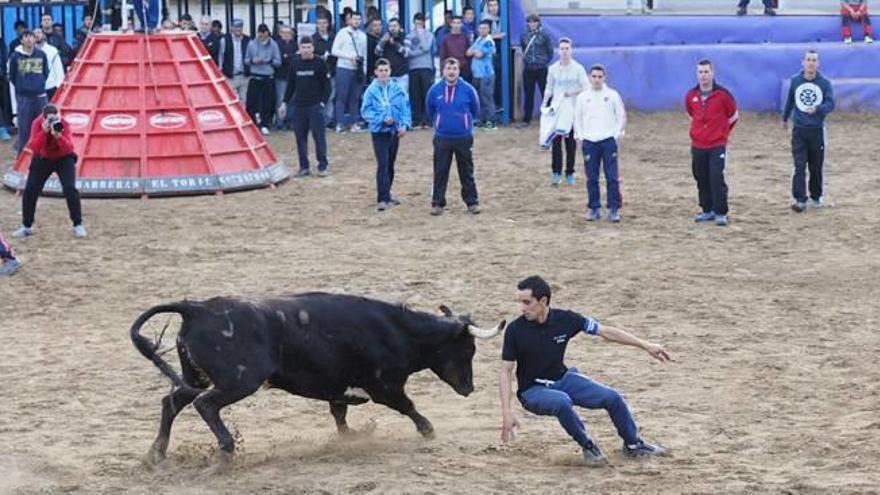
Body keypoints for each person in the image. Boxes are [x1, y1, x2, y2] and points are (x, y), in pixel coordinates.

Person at [500, 275, 669, 465]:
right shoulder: (515, 330)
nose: (522, 308)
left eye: (526, 302)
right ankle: (589, 447)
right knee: (562, 402)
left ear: (543, 301)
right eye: (520, 302)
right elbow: (505, 371)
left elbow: (605, 331)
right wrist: (506, 411)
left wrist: (645, 345)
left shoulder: (567, 319)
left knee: (613, 397)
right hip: (533, 391)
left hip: (564, 379)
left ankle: (633, 445)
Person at [12, 104, 86, 239]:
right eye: (50, 119)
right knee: (30, 190)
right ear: (44, 117)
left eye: (56, 117)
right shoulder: (37, 123)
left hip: (64, 158)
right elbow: (34, 147)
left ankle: (78, 224)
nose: (53, 121)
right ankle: (26, 226)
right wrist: (43, 132)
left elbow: (69, 149)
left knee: (70, 188)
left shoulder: (64, 123)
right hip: (42, 158)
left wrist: (58, 136)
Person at [685, 59, 738, 227]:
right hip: (698, 144)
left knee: (716, 176)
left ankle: (721, 212)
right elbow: (691, 115)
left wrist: (722, 134)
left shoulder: (723, 95)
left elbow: (733, 116)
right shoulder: (691, 95)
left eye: (706, 72)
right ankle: (707, 209)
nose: (703, 76)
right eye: (700, 72)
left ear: (712, 73)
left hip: (717, 145)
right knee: (701, 177)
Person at [426, 58, 481, 216]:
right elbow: (430, 110)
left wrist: (465, 125)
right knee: (440, 170)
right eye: (448, 68)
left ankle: (472, 202)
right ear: (443, 71)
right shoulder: (435, 90)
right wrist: (440, 123)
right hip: (442, 137)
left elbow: (475, 110)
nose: (451, 71)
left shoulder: (468, 90)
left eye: (454, 68)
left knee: (466, 171)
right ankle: (437, 203)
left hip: (463, 137)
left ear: (459, 71)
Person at [782, 50, 835, 212]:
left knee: (816, 166)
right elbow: (790, 100)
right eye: (808, 60)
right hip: (799, 130)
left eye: (814, 60)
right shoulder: (795, 81)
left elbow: (830, 104)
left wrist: (818, 109)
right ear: (803, 62)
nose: (811, 63)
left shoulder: (825, 83)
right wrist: (785, 117)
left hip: (817, 130)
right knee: (799, 165)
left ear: (818, 64)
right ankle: (799, 199)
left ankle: (816, 195)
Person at [574, 64, 627, 223]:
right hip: (589, 141)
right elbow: (578, 118)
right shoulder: (583, 97)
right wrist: (580, 136)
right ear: (590, 77)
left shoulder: (612, 95)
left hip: (608, 141)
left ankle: (613, 208)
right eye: (594, 76)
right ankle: (594, 208)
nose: (596, 80)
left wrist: (616, 135)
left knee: (612, 176)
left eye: (599, 77)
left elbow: (621, 115)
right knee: (592, 177)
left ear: (604, 78)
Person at [361, 58, 411, 211]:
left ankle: (388, 193)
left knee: (390, 163)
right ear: (376, 72)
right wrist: (381, 118)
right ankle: (382, 198)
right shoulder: (370, 90)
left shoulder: (397, 89)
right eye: (380, 71)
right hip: (379, 132)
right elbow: (365, 112)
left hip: (394, 132)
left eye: (386, 70)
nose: (383, 73)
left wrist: (404, 125)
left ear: (390, 71)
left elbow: (405, 108)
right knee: (382, 163)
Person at [278, 37, 331, 178]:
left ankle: (322, 165)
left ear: (313, 48)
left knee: (319, 137)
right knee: (300, 138)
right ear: (299, 48)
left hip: (315, 107)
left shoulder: (320, 63)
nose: (306, 50)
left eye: (309, 47)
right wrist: (284, 103)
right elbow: (291, 85)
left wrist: (322, 103)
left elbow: (327, 86)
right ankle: (304, 167)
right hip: (299, 106)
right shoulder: (295, 63)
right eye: (303, 47)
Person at [542, 38, 587, 187]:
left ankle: (570, 172)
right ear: (558, 50)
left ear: (571, 50)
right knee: (556, 141)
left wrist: (571, 93)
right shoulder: (553, 69)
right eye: (562, 48)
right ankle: (556, 173)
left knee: (570, 143)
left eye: (567, 48)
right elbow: (549, 88)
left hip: (573, 109)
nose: (564, 51)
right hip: (557, 109)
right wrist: (544, 103)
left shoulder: (578, 68)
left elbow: (585, 87)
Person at [9, 31, 49, 156]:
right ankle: (22, 158)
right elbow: (13, 76)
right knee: (24, 130)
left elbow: (45, 73)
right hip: (24, 98)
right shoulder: (15, 57)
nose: (29, 40)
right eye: (25, 37)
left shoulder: (41, 54)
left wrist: (38, 85)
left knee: (44, 126)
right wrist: (24, 87)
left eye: (31, 37)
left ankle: (45, 156)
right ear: (21, 40)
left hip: (40, 97)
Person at [331, 10, 368, 133]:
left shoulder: (363, 36)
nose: (357, 21)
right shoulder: (342, 33)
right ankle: (340, 124)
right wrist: (349, 57)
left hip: (357, 70)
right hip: (343, 68)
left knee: (355, 98)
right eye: (354, 19)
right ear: (349, 20)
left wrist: (364, 71)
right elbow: (334, 50)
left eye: (359, 19)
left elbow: (364, 55)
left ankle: (354, 123)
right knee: (341, 97)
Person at [245, 24, 281, 135]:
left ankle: (265, 124)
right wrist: (252, 61)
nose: (261, 35)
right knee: (251, 103)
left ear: (267, 33)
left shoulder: (273, 45)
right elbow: (246, 60)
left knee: (267, 103)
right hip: (255, 76)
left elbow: (278, 62)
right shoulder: (251, 44)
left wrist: (268, 61)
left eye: (264, 33)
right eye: (260, 33)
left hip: (268, 77)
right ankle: (252, 124)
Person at [518, 14, 552, 129]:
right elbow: (523, 48)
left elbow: (550, 51)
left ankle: (549, 118)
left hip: (541, 69)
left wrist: (543, 62)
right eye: (530, 22)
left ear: (538, 23)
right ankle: (527, 120)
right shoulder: (524, 35)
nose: (532, 24)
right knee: (528, 95)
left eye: (534, 22)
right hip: (528, 69)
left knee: (546, 94)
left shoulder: (544, 35)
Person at [406, 13, 434, 129]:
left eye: (420, 22)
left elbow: (427, 47)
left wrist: (420, 34)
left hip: (426, 67)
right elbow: (407, 52)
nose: (418, 25)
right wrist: (420, 52)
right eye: (416, 22)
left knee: (426, 93)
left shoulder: (429, 34)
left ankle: (427, 120)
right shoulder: (409, 35)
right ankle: (416, 120)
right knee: (415, 94)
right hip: (413, 68)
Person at [467, 20, 496, 130]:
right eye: (481, 28)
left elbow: (478, 54)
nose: (482, 30)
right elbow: (468, 52)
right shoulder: (479, 39)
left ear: (488, 30)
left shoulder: (489, 41)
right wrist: (475, 51)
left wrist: (475, 51)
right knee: (479, 97)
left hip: (486, 74)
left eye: (485, 28)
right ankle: (483, 119)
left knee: (487, 97)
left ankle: (491, 121)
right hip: (477, 74)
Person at [218, 19, 250, 105]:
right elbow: (221, 57)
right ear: (231, 28)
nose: (238, 29)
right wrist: (222, 73)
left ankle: (243, 118)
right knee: (231, 102)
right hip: (230, 76)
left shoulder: (248, 40)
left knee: (245, 102)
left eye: (240, 27)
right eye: (236, 27)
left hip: (244, 76)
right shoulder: (224, 40)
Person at [482, 0, 506, 114]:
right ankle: (491, 109)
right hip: (489, 56)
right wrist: (498, 36)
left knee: (501, 80)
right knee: (490, 82)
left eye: (495, 5)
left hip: (501, 55)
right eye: (490, 5)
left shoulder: (503, 18)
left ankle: (500, 105)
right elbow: (483, 35)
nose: (493, 8)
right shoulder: (485, 20)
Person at [312, 17, 336, 126]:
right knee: (317, 97)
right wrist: (320, 57)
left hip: (332, 70)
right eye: (319, 23)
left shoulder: (333, 37)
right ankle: (318, 120)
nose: (322, 25)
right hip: (318, 73)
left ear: (328, 24)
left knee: (330, 96)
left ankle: (328, 120)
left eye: (324, 22)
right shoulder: (313, 38)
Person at [376, 18, 409, 93]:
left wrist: (395, 44)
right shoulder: (384, 38)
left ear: (399, 27)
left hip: (402, 75)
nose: (393, 28)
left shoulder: (405, 37)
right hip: (387, 75)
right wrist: (382, 42)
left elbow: (406, 53)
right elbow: (377, 52)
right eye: (390, 26)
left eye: (395, 26)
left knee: (401, 98)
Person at [275, 25, 298, 129]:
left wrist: (288, 56)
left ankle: (290, 122)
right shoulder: (277, 44)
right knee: (281, 99)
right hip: (281, 76)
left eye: (288, 33)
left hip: (293, 76)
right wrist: (291, 56)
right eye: (283, 32)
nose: (286, 34)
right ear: (280, 34)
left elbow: (297, 58)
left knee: (292, 100)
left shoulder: (295, 44)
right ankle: (280, 122)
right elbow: (280, 60)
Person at [33, 30, 64, 101]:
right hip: (35, 89)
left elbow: (58, 69)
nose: (37, 35)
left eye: (39, 33)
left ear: (44, 35)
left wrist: (59, 85)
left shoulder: (52, 50)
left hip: (51, 87)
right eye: (34, 34)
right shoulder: (30, 51)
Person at [439, 16, 472, 84]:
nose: (456, 25)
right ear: (451, 24)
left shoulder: (465, 38)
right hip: (451, 68)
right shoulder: (446, 39)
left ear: (462, 24)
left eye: (458, 23)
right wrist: (442, 70)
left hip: (464, 69)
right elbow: (442, 55)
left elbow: (468, 54)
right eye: (454, 23)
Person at [365, 18, 383, 83]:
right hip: (372, 73)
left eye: (379, 25)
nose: (378, 27)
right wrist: (371, 73)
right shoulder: (368, 39)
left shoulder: (382, 38)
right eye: (375, 25)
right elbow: (369, 57)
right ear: (370, 27)